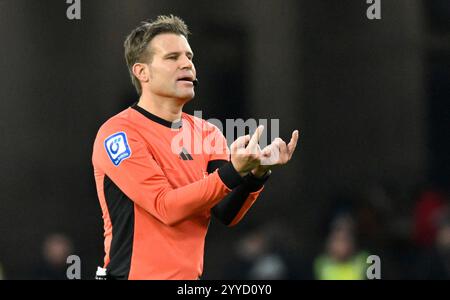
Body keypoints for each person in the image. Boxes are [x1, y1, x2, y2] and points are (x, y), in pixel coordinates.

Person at [91, 15, 299, 280]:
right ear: (142, 72)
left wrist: (257, 173)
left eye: (189, 56)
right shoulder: (119, 133)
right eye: (172, 57)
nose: (187, 64)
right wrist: (234, 171)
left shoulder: (207, 132)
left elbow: (225, 211)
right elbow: (165, 206)